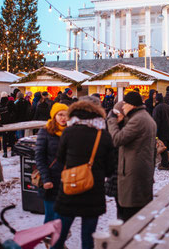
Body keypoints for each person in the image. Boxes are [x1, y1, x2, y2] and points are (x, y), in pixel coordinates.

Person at [52, 97, 114, 249]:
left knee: (59, 237)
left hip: (69, 189)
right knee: (88, 239)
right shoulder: (103, 135)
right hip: (93, 190)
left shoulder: (68, 132)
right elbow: (110, 168)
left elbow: (60, 160)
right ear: (98, 113)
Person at [108, 91, 157, 222]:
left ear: (132, 105)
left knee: (130, 216)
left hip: (133, 173)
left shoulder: (138, 120)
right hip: (138, 171)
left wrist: (112, 121)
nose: (123, 107)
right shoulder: (143, 117)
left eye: (125, 104)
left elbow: (117, 139)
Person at [35, 103, 69, 224]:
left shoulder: (70, 132)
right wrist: (46, 179)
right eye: (60, 115)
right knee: (51, 215)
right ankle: (50, 240)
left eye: (66, 115)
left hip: (67, 180)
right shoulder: (45, 131)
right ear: (54, 115)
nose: (63, 118)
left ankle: (58, 241)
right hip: (51, 180)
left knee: (63, 216)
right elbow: (39, 157)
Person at [105, 101, 125, 219]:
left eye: (119, 113)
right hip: (114, 171)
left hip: (123, 171)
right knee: (119, 205)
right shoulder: (110, 127)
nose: (117, 116)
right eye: (115, 113)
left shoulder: (126, 128)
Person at [152, 93, 169, 170]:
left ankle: (164, 164)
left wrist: (155, 133)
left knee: (161, 147)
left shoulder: (157, 108)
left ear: (157, 100)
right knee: (165, 147)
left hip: (161, 131)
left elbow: (156, 121)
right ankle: (164, 162)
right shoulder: (168, 107)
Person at [0, 92, 15, 157]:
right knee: (11, 137)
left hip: (3, 123)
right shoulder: (10, 103)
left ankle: (5, 152)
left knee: (4, 138)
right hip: (10, 123)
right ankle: (12, 151)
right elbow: (14, 112)